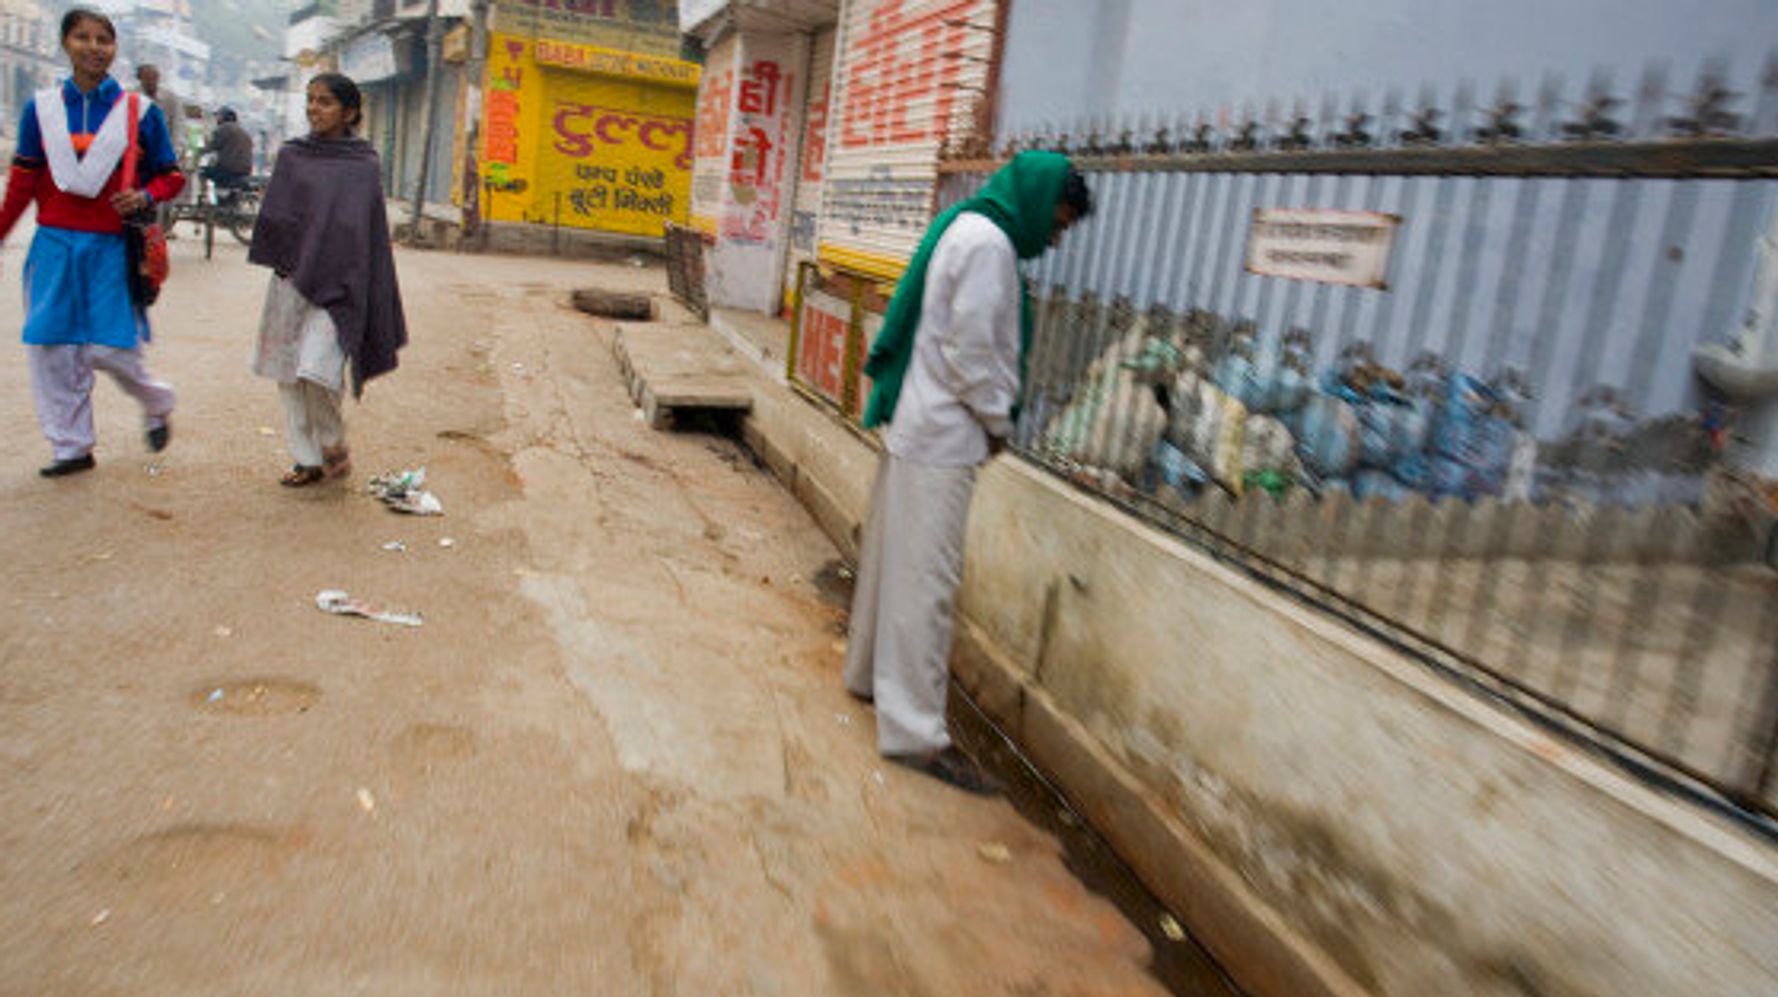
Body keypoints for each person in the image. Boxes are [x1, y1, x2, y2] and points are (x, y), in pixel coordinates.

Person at [844, 150, 1092, 794]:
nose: (1055, 238)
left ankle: (868, 677)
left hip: (916, 425)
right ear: (1040, 203)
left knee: (890, 563)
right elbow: (971, 351)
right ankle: (916, 735)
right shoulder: (991, 246)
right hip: (944, 437)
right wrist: (998, 422)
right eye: (1058, 223)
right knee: (926, 581)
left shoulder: (966, 224)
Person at [0, 8, 185, 477]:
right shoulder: (40, 109)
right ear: (66, 44)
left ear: (114, 48)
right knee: (51, 348)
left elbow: (171, 177)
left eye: (104, 38)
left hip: (109, 248)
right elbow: (22, 184)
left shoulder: (140, 113)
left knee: (110, 350)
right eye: (82, 37)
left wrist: (144, 194)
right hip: (54, 246)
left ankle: (157, 400)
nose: (94, 47)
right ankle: (71, 446)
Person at [248, 73, 406, 487]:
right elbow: (278, 213)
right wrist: (285, 251)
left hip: (340, 282)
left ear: (349, 112)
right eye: (311, 100)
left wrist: (349, 269)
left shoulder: (362, 164)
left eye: (325, 102)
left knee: (318, 368)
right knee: (288, 373)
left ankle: (332, 441)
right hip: (291, 278)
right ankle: (308, 460)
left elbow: (363, 230)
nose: (314, 109)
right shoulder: (292, 155)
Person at [200, 106, 253, 190]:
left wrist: (199, 150)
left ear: (223, 117)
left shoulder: (224, 128)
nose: (216, 119)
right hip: (245, 170)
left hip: (229, 170)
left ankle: (204, 197)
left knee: (201, 172)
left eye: (218, 116)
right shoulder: (243, 132)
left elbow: (211, 146)